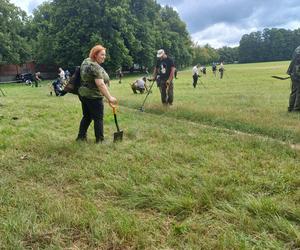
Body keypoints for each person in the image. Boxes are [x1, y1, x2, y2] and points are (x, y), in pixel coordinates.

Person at [77, 44, 117, 143]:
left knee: (87, 116)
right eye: (102, 55)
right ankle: (100, 140)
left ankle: (81, 137)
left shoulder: (86, 61)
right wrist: (109, 98)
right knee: (98, 118)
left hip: (83, 94)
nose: (104, 57)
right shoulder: (95, 67)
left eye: (104, 55)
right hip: (93, 97)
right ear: (95, 55)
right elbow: (100, 84)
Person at [287, 45, 300, 112]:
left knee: (294, 91)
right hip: (297, 73)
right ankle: (297, 109)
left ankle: (291, 108)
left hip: (293, 72)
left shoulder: (298, 48)